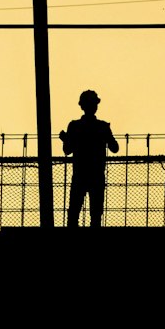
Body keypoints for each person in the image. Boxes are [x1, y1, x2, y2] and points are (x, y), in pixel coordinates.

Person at [59, 90, 119, 228]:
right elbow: (115, 148)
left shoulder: (74, 126)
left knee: (73, 215)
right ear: (96, 106)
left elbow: (67, 150)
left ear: (82, 106)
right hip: (97, 175)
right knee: (96, 216)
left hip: (80, 175)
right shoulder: (102, 127)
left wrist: (66, 139)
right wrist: (107, 136)